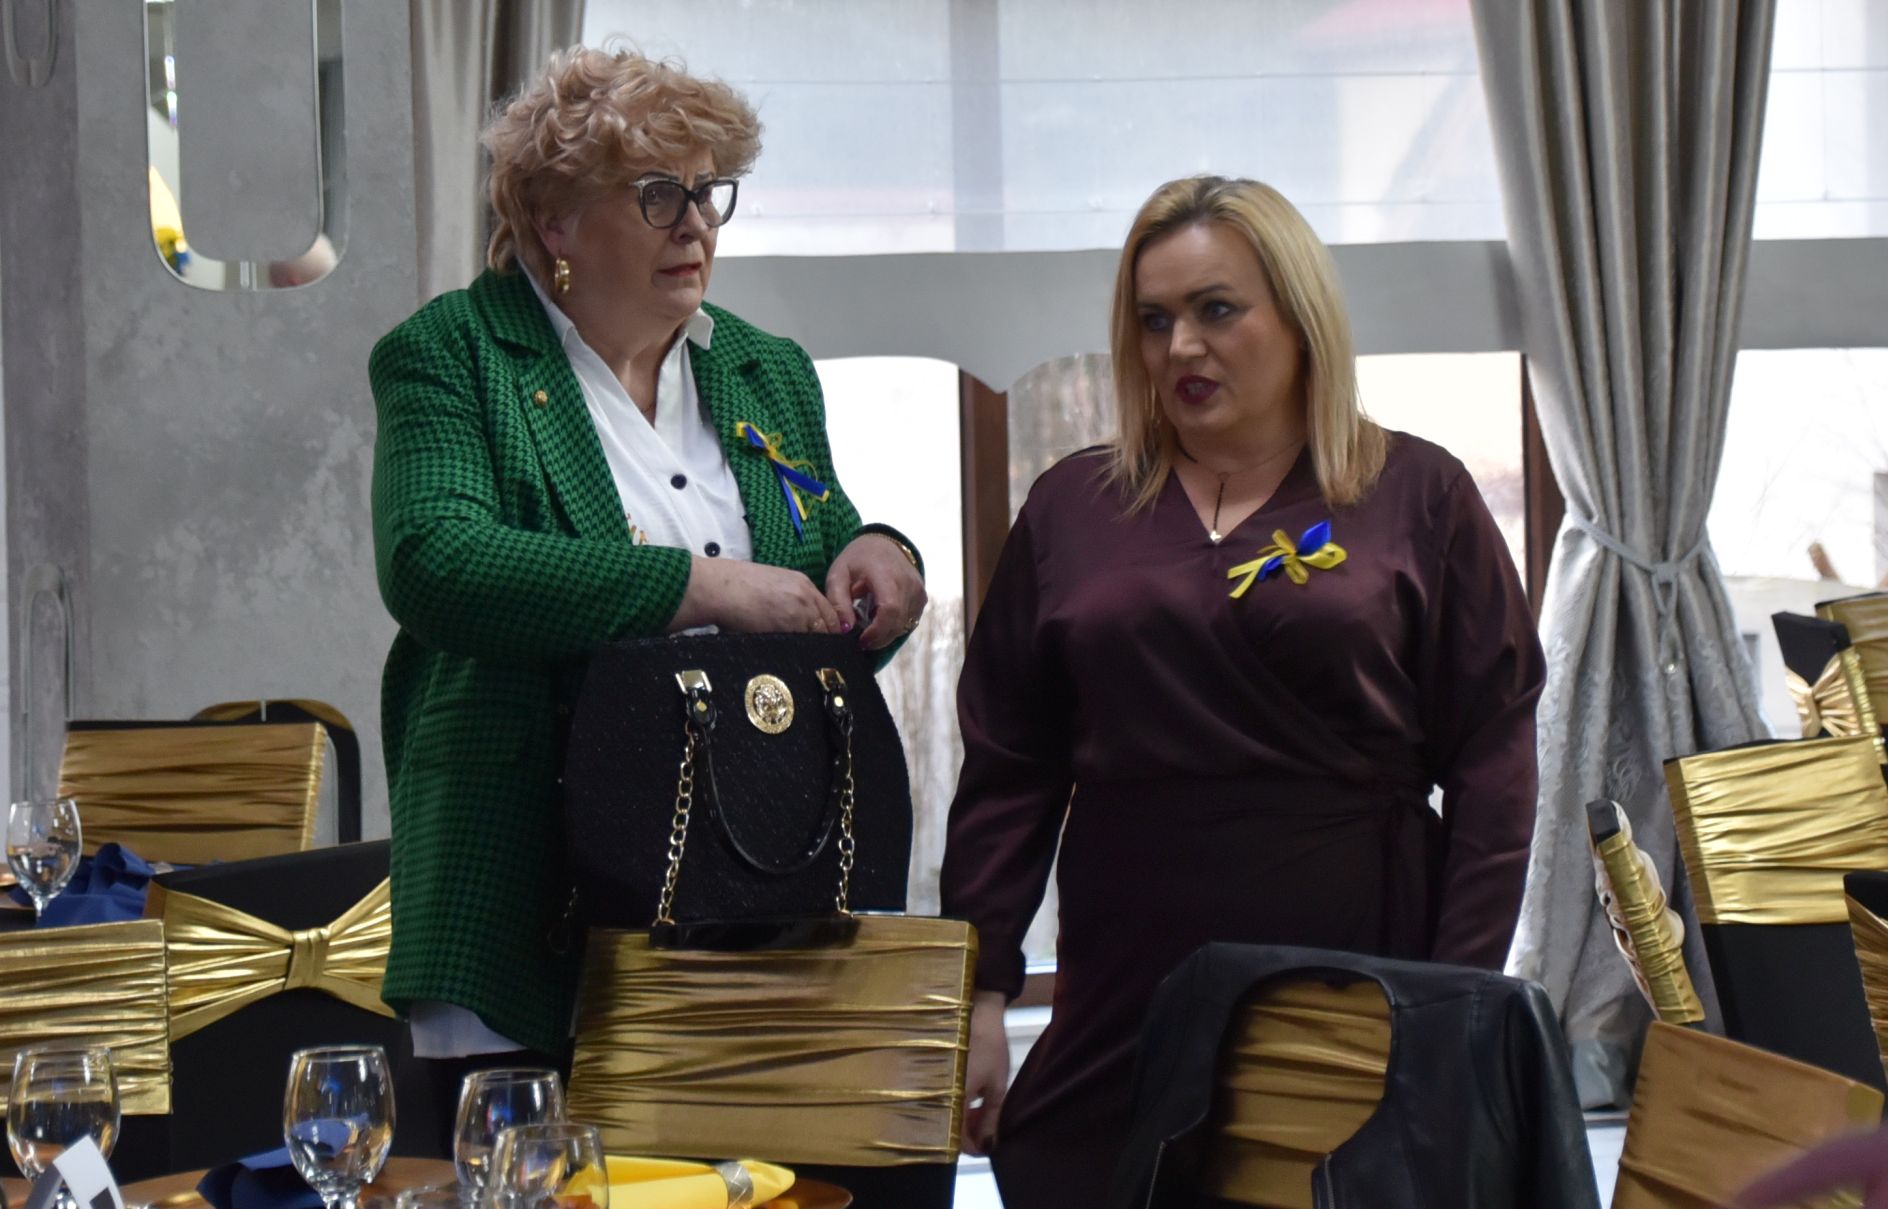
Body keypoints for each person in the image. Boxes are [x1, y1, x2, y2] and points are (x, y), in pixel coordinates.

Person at [939, 175, 1546, 1205]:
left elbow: (1494, 766)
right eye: (1153, 320)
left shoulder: (1419, 493)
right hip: (1126, 967)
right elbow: (1010, 767)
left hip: (1355, 964)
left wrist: (1455, 998)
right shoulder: (1070, 505)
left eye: (1216, 309)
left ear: (1299, 317)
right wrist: (982, 993)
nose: (1181, 346)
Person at [367, 45, 927, 1138]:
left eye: (710, 192)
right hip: (529, 899)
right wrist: (697, 586)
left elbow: (814, 567)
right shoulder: (454, 353)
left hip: (756, 886)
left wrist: (877, 554)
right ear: (554, 221)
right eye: (658, 194)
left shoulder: (763, 368)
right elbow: (437, 564)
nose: (697, 224)